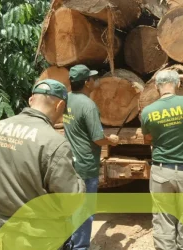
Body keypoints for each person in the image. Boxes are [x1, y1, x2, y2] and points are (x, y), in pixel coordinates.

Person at [0, 79, 86, 249]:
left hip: (1, 225)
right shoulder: (55, 142)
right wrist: (79, 180)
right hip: (39, 236)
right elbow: (71, 199)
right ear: (60, 105)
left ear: (31, 100)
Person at [140, 70, 183, 250]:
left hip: (161, 172)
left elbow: (147, 139)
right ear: (178, 85)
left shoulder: (148, 111)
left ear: (156, 87)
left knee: (163, 217)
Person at [62, 64, 119, 250]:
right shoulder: (88, 105)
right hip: (85, 165)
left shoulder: (66, 99)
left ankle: (69, 243)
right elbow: (98, 139)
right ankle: (80, 247)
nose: (94, 80)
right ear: (87, 83)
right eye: (92, 78)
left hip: (69, 161)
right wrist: (112, 140)